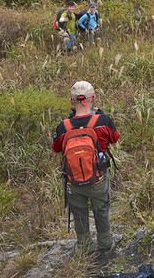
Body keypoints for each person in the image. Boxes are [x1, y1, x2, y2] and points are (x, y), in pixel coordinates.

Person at [52, 81, 120, 261]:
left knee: (79, 212)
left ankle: (84, 246)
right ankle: (105, 246)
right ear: (93, 98)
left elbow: (56, 148)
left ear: (71, 101)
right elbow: (115, 138)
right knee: (102, 210)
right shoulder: (103, 121)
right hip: (98, 178)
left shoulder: (63, 126)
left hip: (73, 181)